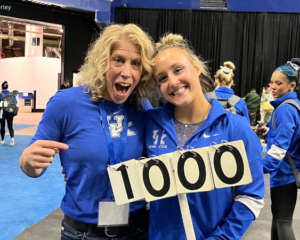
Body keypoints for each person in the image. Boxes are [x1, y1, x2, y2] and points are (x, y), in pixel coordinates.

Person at [19, 24, 155, 240]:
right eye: (118, 59)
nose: (127, 72)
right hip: (83, 233)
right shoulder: (65, 103)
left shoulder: (141, 107)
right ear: (102, 61)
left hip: (136, 230)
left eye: (136, 64)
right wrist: (27, 161)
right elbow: (34, 163)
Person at [145, 33, 265, 239]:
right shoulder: (149, 123)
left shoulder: (236, 128)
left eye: (178, 69)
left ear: (197, 68)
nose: (173, 81)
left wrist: (222, 237)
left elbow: (251, 197)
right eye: (162, 78)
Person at [256, 59, 300, 240]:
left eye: (278, 83)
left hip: (284, 174)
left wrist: (260, 168)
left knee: (282, 222)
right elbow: (288, 139)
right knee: (278, 221)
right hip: (285, 173)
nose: (272, 87)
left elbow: (280, 148)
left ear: (292, 86)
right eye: (271, 82)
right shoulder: (288, 107)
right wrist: (268, 133)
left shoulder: (284, 109)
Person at [0, 81, 17, 146]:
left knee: (2, 126)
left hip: (2, 112)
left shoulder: (0, 95)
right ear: (7, 87)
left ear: (2, 87)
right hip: (10, 112)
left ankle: (2, 140)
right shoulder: (12, 94)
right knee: (10, 126)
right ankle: (12, 139)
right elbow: (15, 103)